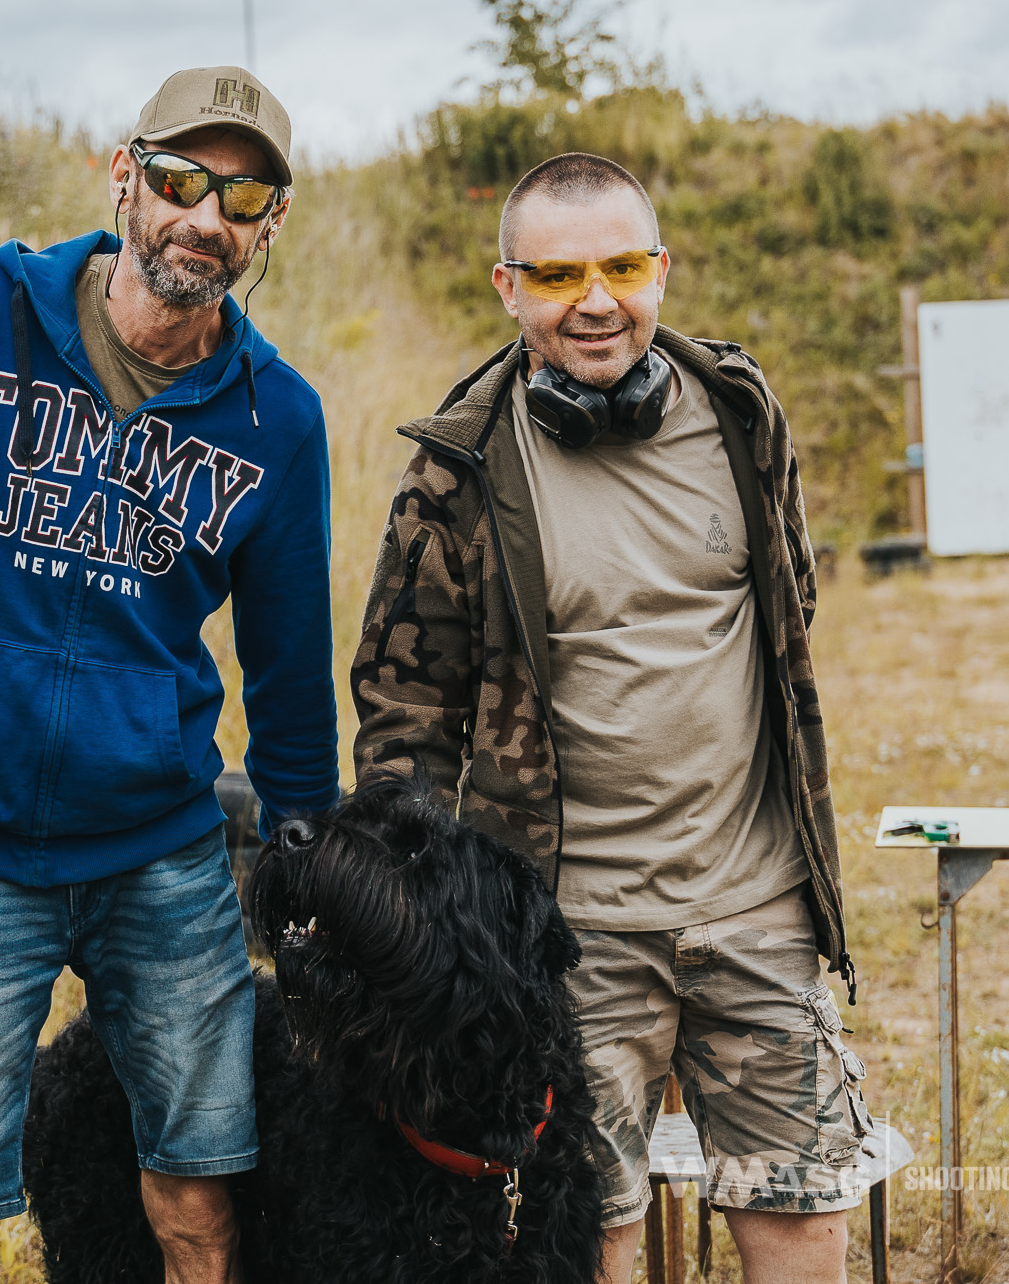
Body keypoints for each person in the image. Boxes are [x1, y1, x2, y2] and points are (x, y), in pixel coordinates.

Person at [0, 65, 337, 1284]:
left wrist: (305, 877)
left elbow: (290, 683)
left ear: (269, 226)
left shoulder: (277, 421)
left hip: (160, 854)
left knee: (199, 1199)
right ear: (123, 178)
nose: (205, 216)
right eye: (181, 179)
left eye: (243, 198)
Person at [350, 152, 868, 1284]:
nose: (595, 300)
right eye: (557, 275)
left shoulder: (740, 414)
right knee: (584, 1238)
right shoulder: (457, 470)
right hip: (567, 943)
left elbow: (790, 607)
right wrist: (443, 943)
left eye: (622, 267)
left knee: (802, 1216)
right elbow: (401, 719)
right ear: (507, 288)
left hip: (758, 912)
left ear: (660, 270)